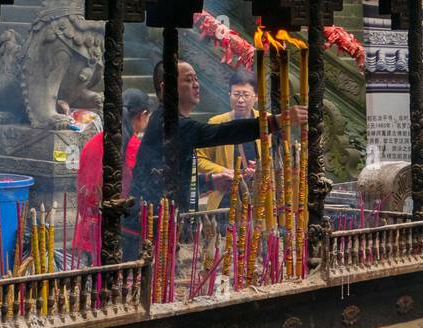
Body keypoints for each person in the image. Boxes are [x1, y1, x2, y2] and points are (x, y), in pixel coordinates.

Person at [131, 60, 306, 213]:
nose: (196, 84)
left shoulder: (173, 121)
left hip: (163, 222)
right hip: (146, 226)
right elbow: (221, 132)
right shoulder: (168, 123)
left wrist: (210, 181)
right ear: (166, 88)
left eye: (196, 79)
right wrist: (275, 121)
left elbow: (174, 180)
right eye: (188, 79)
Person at [75, 88, 150, 263]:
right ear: (143, 115)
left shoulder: (93, 142)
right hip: (120, 233)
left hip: (88, 230)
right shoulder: (134, 147)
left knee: (94, 286)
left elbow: (82, 187)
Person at [197, 68, 259, 210]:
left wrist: (259, 170)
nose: (241, 100)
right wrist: (224, 171)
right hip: (225, 198)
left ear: (255, 97)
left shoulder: (265, 123)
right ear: (229, 95)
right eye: (236, 94)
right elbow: (199, 158)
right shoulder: (216, 123)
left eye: (246, 95)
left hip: (259, 198)